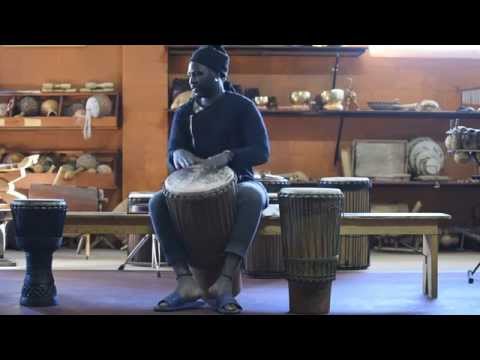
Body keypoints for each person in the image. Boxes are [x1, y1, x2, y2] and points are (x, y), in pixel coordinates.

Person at [149, 45, 270, 314]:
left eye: (198, 74)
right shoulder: (183, 113)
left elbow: (262, 151)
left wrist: (228, 156)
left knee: (252, 196)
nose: (191, 80)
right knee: (157, 202)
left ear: (218, 75)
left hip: (240, 180)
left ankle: (225, 281)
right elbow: (172, 155)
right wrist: (177, 153)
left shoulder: (242, 107)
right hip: (193, 187)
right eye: (190, 75)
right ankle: (184, 282)